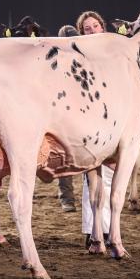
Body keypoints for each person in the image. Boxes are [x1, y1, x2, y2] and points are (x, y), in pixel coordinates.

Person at [75, 10, 112, 248]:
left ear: (102, 27)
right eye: (87, 28)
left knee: (108, 178)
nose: (92, 31)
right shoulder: (78, 57)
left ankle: (105, 229)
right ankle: (92, 230)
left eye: (95, 26)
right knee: (91, 180)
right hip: (88, 123)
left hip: (110, 121)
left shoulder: (113, 54)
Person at [56, 24, 80, 212]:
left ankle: (68, 198)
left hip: (82, 112)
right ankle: (67, 198)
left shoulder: (84, 59)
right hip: (64, 114)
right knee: (65, 156)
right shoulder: (56, 60)